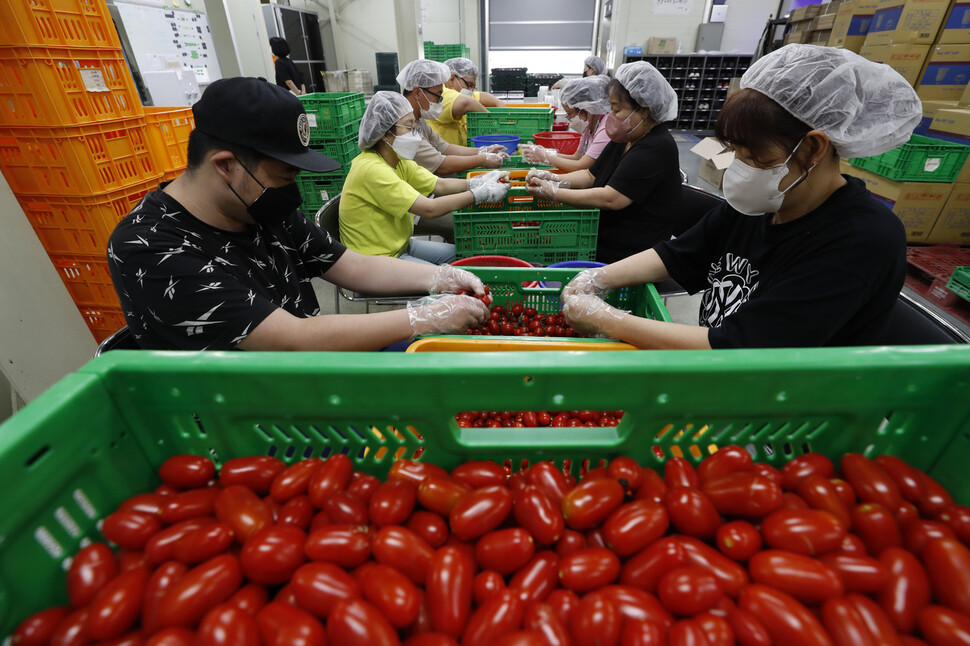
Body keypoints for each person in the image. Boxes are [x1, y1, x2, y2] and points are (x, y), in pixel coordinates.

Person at [559, 44, 920, 350]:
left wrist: (610, 320)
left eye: (751, 156)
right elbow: (679, 253)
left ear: (812, 148)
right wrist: (597, 278)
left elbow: (742, 346)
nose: (738, 169)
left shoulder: (862, 240)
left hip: (786, 414)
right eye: (735, 153)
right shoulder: (762, 205)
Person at [107, 77, 491, 351]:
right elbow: (292, 339)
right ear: (226, 165)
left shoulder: (261, 206)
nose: (291, 190)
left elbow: (352, 266)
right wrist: (419, 318)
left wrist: (441, 276)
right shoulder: (152, 247)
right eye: (283, 175)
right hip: (246, 419)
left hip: (310, 372)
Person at [526, 61, 682, 263]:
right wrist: (551, 177)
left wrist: (555, 193)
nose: (611, 117)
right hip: (604, 233)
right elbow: (590, 175)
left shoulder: (655, 147)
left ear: (644, 109)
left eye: (616, 110)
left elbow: (611, 198)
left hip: (631, 251)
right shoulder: (627, 137)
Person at [339, 91, 509, 264]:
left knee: (464, 257)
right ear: (384, 131)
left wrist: (476, 182)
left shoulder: (398, 159)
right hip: (377, 258)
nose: (415, 134)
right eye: (408, 127)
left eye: (415, 127)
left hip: (400, 245)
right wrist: (478, 194)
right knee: (448, 277)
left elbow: (440, 185)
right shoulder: (372, 169)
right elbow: (430, 209)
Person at [397, 59, 510, 177]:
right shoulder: (405, 127)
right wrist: (483, 159)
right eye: (438, 96)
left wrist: (483, 150)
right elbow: (440, 165)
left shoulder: (419, 121)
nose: (440, 101)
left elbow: (445, 148)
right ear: (417, 93)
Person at [520, 74, 612, 173]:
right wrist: (544, 152)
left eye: (569, 113)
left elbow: (580, 166)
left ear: (586, 108)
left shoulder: (605, 129)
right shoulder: (589, 126)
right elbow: (576, 157)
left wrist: (546, 157)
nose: (568, 118)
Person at [429, 57, 505, 147]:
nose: (470, 90)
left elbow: (486, 97)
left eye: (473, 86)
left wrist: (502, 111)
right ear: (451, 79)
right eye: (468, 84)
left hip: (459, 154)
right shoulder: (441, 94)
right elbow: (466, 103)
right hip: (443, 156)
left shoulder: (461, 93)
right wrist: (494, 122)